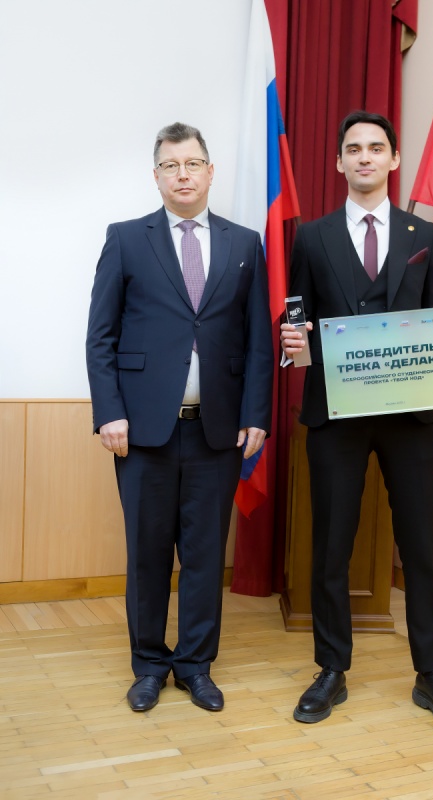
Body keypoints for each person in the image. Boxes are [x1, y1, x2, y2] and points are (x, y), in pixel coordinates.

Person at [280, 111, 433, 733]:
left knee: (419, 547)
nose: (364, 157)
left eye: (375, 147)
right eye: (353, 148)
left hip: (409, 415)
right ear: (339, 162)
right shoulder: (311, 238)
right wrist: (292, 344)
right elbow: (296, 320)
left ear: (393, 159)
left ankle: (432, 672)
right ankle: (331, 669)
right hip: (335, 415)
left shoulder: (425, 234)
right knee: (331, 546)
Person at [86, 122, 273, 713]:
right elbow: (100, 337)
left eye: (192, 163)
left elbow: (258, 341)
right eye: (171, 165)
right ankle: (148, 665)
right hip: (142, 433)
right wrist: (109, 413)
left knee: (204, 555)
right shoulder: (126, 239)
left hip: (218, 431)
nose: (183, 174)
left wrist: (256, 414)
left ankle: (195, 665)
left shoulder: (245, 244)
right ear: (157, 175)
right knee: (147, 555)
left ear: (210, 172)